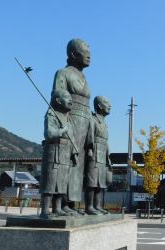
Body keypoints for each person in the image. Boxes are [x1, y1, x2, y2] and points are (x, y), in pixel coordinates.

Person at [52, 38, 93, 213]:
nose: (89, 55)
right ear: (73, 54)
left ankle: (72, 203)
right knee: (68, 160)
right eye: (85, 51)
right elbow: (57, 97)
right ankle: (60, 203)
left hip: (85, 121)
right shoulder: (63, 73)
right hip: (71, 119)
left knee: (80, 164)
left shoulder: (84, 77)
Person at [39, 89, 78, 218]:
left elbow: (72, 137)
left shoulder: (68, 118)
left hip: (66, 154)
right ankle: (45, 210)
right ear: (57, 100)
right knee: (50, 181)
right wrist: (61, 131)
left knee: (62, 182)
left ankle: (57, 208)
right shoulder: (52, 114)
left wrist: (74, 152)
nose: (70, 100)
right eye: (67, 97)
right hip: (54, 152)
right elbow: (49, 133)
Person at [84, 96, 112, 215]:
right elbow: (89, 137)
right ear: (99, 106)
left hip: (103, 155)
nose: (110, 106)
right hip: (94, 153)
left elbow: (106, 142)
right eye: (107, 103)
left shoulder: (105, 124)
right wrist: (89, 151)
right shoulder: (92, 120)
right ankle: (89, 207)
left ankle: (98, 206)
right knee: (92, 182)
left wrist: (108, 157)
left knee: (101, 183)